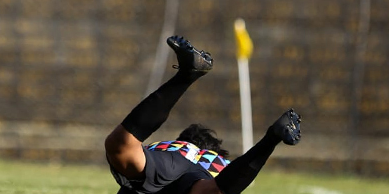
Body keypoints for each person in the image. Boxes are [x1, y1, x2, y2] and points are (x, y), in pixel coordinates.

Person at [105, 35, 302, 194]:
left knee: (121, 146)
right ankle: (271, 138)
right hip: (200, 178)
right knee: (210, 190)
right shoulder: (217, 162)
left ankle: (185, 76)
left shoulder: (173, 147)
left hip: (166, 163)